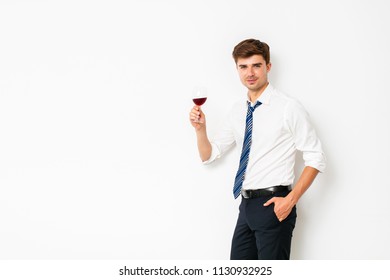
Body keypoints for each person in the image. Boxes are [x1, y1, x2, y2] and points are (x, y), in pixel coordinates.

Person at [189, 38, 326, 260]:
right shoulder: (236, 111)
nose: (250, 72)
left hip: (275, 203)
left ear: (268, 67)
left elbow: (316, 157)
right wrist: (200, 129)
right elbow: (209, 155)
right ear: (237, 69)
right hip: (245, 207)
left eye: (256, 65)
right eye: (243, 66)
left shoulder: (288, 107)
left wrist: (290, 200)